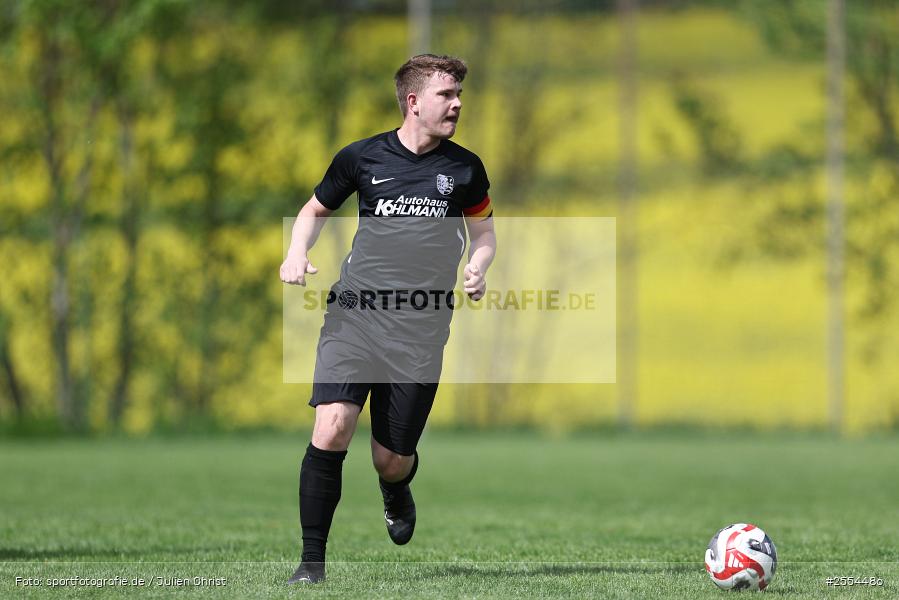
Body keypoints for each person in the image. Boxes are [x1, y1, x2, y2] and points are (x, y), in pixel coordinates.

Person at [279, 54, 496, 584]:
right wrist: (296, 251)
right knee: (332, 426)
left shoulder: (465, 169)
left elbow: (485, 233)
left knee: (390, 459)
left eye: (459, 95)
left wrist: (478, 266)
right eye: (447, 95)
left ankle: (396, 489)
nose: (458, 104)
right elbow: (313, 210)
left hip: (420, 329)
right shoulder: (361, 157)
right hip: (354, 315)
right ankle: (311, 566)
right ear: (413, 102)